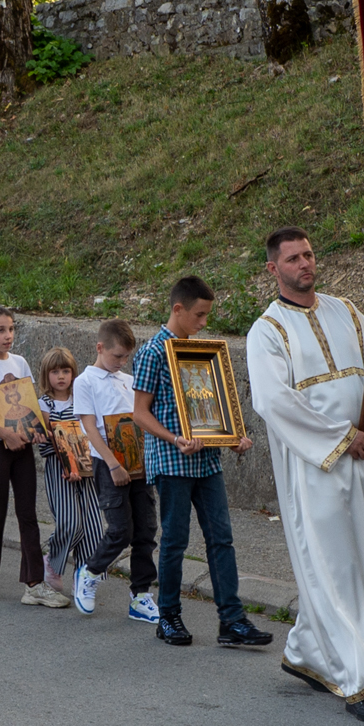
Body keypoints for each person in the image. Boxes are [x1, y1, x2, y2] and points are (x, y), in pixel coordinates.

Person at [248, 230, 364, 723]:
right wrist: (338, 438)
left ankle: (312, 649)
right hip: (316, 465)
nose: (305, 264)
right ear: (273, 269)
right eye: (293, 259)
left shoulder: (346, 310)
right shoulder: (267, 330)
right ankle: (360, 679)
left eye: (310, 254)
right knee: (333, 564)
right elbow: (273, 401)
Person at [127, 278, 270, 651]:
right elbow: (139, 414)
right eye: (199, 314)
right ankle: (169, 616)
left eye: (207, 314)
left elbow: (213, 406)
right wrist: (175, 438)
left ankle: (232, 620)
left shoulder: (203, 352)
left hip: (207, 461)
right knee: (175, 541)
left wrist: (233, 436)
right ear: (178, 309)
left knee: (221, 539)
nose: (204, 321)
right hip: (173, 460)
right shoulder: (153, 352)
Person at [0, 308, 55, 607]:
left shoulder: (20, 362)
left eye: (12, 329)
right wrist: (4, 434)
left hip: (23, 445)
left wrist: (42, 428)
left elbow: (29, 401)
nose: (8, 336)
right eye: (1, 330)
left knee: (28, 514)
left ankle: (34, 585)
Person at [69, 320, 157, 623]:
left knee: (146, 530)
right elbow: (90, 429)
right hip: (110, 465)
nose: (121, 362)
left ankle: (141, 594)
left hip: (139, 464)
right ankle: (90, 571)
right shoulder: (85, 382)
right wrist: (113, 464)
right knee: (121, 530)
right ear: (100, 348)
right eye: (116, 356)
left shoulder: (128, 379)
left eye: (125, 357)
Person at [35, 348, 97, 614]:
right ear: (46, 375)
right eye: (55, 372)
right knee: (71, 521)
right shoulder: (44, 405)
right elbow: (48, 441)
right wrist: (67, 463)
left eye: (66, 371)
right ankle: (52, 560)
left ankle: (82, 577)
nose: (61, 377)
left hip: (87, 466)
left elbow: (91, 431)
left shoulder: (81, 398)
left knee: (93, 524)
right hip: (59, 468)